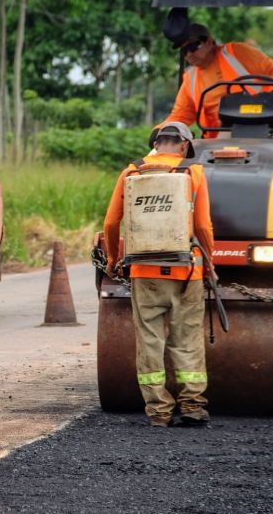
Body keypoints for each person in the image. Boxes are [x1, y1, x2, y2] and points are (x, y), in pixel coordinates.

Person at [103, 122, 216, 428]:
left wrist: (114, 259)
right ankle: (192, 405)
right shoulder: (193, 174)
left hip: (145, 272)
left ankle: (158, 412)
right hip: (187, 273)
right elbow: (203, 227)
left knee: (150, 341)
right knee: (187, 338)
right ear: (184, 146)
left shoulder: (132, 173)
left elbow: (111, 223)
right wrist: (210, 264)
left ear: (155, 144)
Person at [159, 21, 273, 142]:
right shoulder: (190, 80)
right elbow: (180, 116)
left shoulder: (237, 52)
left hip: (272, 120)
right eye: (184, 51)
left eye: (192, 46)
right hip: (229, 129)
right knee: (221, 152)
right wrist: (159, 131)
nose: (189, 54)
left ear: (209, 42)